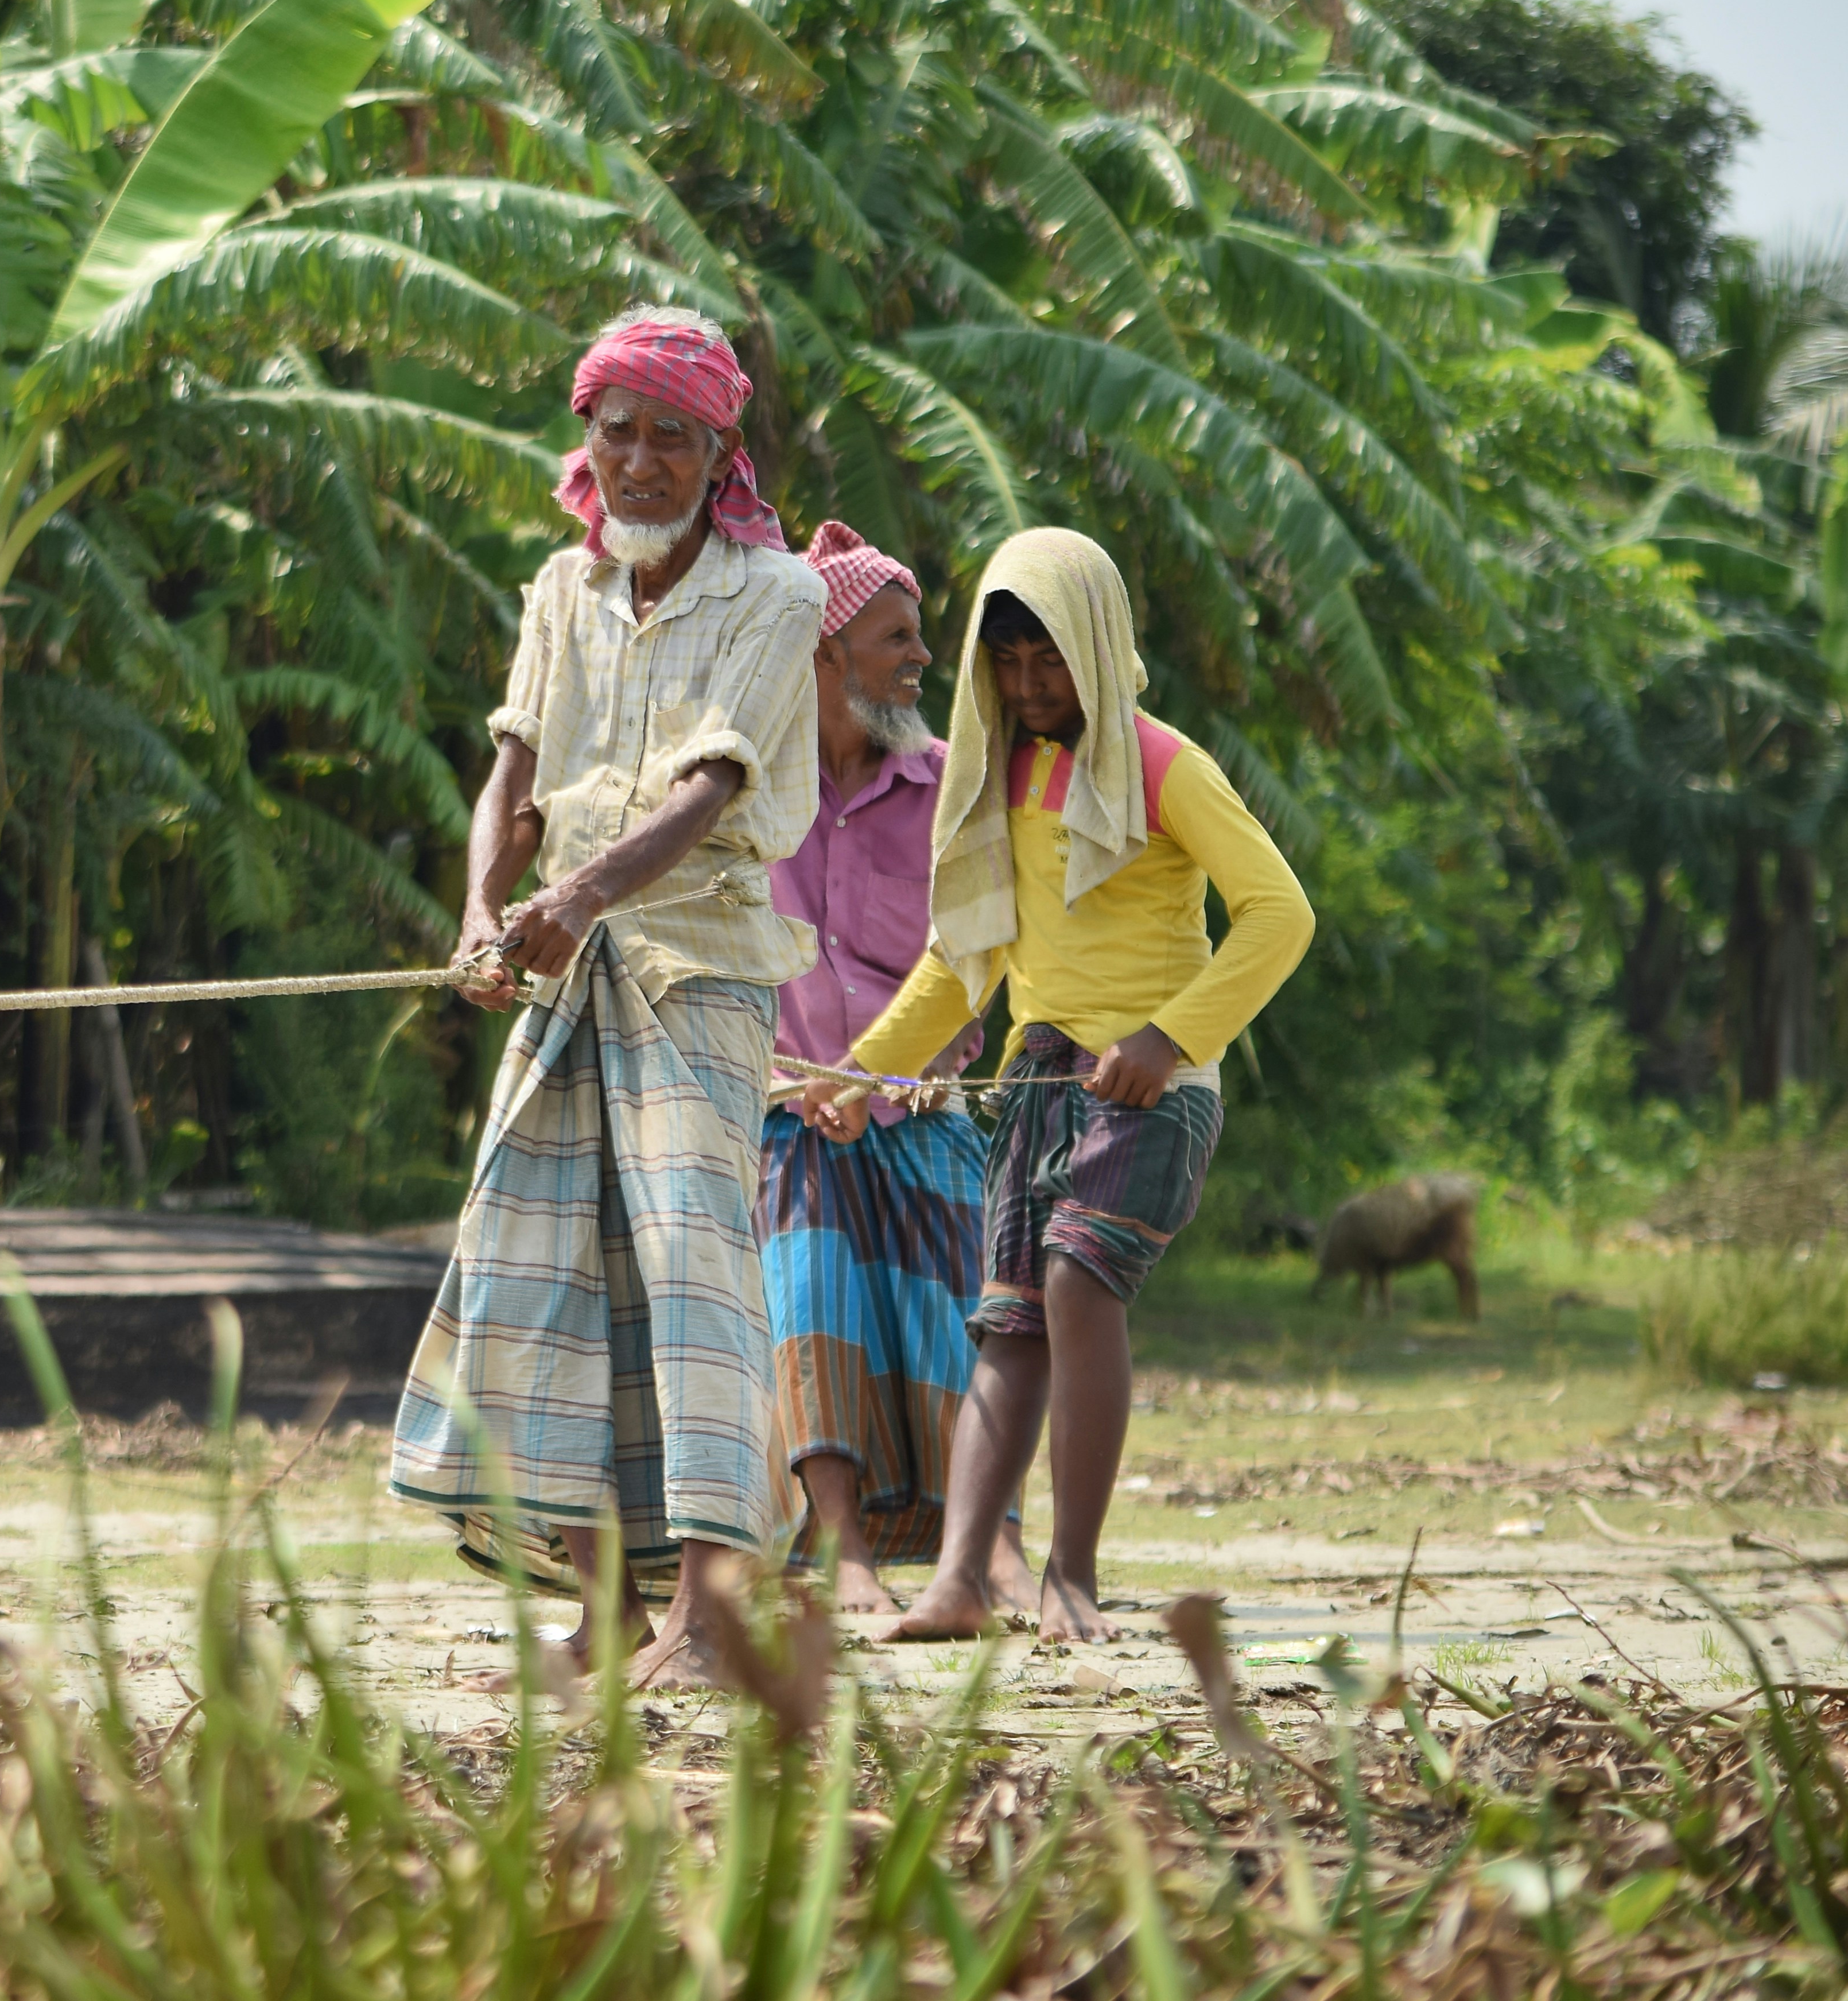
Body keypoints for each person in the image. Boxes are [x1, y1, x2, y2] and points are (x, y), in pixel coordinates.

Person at [391, 307, 825, 1692]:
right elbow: (513, 776)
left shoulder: (780, 597)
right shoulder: (558, 592)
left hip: (696, 974)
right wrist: (481, 911)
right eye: (618, 432)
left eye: (672, 439)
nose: (640, 461)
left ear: (719, 455)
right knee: (543, 1272)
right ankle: (604, 1614)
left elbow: (713, 791)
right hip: (559, 969)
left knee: (697, 1276)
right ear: (588, 440)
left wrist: (576, 900)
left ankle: (710, 1611)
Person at [802, 528, 1311, 1643]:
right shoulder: (998, 775)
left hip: (1151, 1087)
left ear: (1099, 644)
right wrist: (859, 1076)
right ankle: (960, 1584)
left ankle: (1071, 1574)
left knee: (1081, 1284)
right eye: (1010, 662)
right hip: (1035, 1077)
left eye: (1052, 661)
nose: (1032, 686)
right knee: (1008, 1324)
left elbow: (1281, 914)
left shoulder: (1169, 764)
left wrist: (1170, 1038)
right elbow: (961, 958)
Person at [762, 522, 1036, 1616]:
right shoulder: (749, 790)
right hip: (787, 1112)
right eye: (897, 640)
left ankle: (999, 1550)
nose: (922, 660)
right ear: (825, 654)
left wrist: (896, 1074)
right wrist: (804, 1086)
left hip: (923, 1102)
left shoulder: (952, 790)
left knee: (964, 1320)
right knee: (810, 1296)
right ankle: (842, 1547)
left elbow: (974, 961)